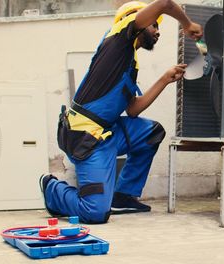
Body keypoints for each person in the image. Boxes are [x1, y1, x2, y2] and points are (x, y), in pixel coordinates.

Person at [39, 0, 203, 224]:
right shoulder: (119, 36)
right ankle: (52, 188)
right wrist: (187, 23)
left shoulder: (128, 62)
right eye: (154, 25)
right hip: (86, 137)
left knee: (151, 132)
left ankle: (124, 195)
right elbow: (164, 3)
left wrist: (165, 79)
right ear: (137, 19)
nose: (157, 32)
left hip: (107, 133)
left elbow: (133, 110)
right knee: (95, 213)